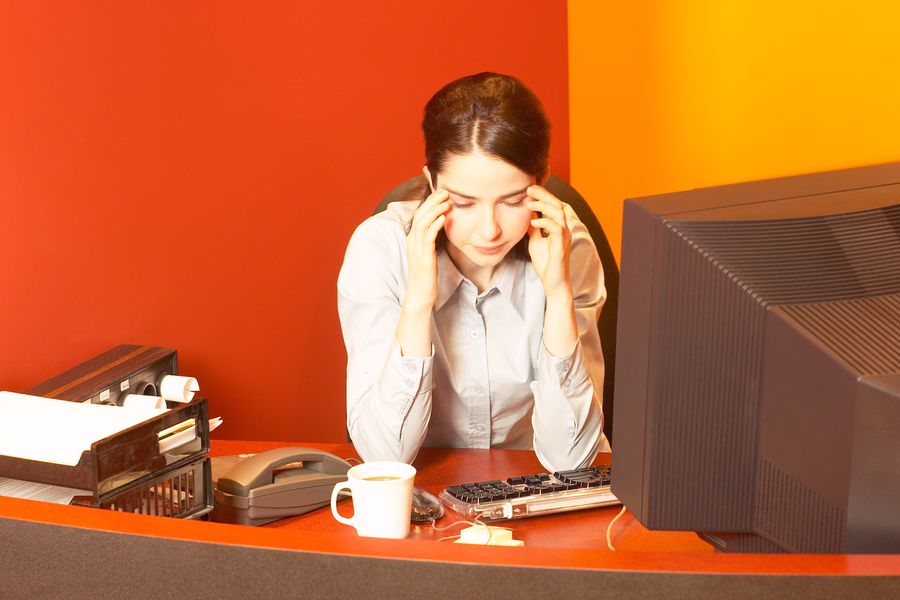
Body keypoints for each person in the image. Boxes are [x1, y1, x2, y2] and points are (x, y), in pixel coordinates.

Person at [337, 72, 609, 472]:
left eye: (513, 200)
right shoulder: (380, 249)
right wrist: (417, 303)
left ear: (542, 183)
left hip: (531, 485)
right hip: (425, 493)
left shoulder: (565, 244)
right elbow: (384, 458)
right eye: (463, 203)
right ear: (430, 181)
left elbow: (571, 459)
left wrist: (559, 295)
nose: (490, 230)